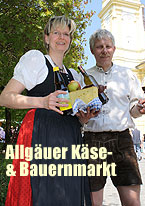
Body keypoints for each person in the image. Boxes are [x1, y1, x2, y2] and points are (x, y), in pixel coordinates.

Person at [0, 15, 98, 206]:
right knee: (43, 194)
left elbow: (69, 113)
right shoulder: (36, 60)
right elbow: (5, 97)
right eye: (56, 33)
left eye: (66, 34)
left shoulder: (72, 74)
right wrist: (43, 102)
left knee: (67, 194)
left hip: (69, 138)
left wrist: (83, 119)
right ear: (46, 38)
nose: (62, 37)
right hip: (40, 134)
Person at [83, 29, 145, 206]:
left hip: (122, 140)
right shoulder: (83, 78)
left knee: (132, 202)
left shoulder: (127, 75)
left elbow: (133, 109)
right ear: (92, 50)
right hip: (92, 141)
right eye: (99, 47)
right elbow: (78, 113)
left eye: (108, 46)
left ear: (114, 49)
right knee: (93, 203)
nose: (104, 50)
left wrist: (140, 109)